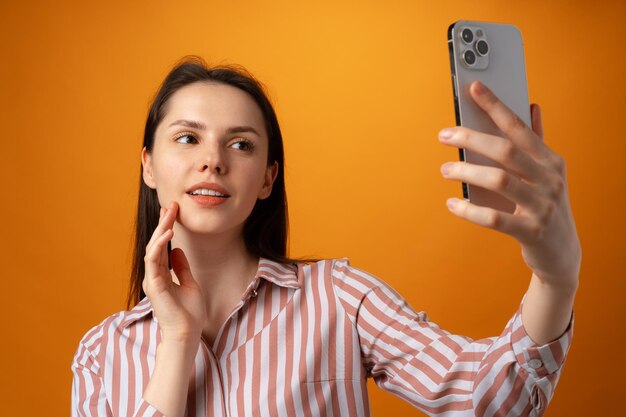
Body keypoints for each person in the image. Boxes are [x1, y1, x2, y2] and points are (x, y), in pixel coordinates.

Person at [71, 56, 580, 417]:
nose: (213, 159)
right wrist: (179, 342)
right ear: (148, 166)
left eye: (241, 144)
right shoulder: (100, 354)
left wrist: (556, 278)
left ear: (268, 177)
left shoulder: (339, 298)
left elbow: (487, 401)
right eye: (187, 137)